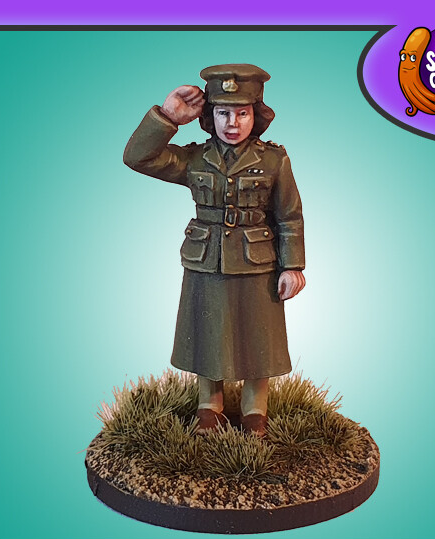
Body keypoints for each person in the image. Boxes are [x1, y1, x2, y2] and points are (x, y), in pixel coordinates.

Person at [123, 64, 305, 437]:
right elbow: (138, 158)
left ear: (257, 115)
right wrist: (167, 118)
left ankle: (255, 410)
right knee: (207, 332)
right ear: (209, 115)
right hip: (206, 259)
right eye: (223, 113)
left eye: (242, 113)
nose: (232, 123)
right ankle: (209, 405)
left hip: (257, 262)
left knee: (259, 336)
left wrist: (293, 266)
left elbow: (289, 216)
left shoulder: (274, 160)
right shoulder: (196, 158)